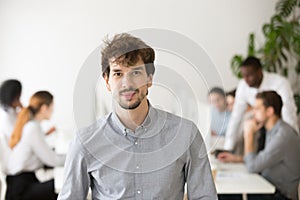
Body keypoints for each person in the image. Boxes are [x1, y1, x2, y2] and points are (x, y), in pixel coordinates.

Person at [58, 33, 217, 199]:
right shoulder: (85, 141)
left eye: (135, 73)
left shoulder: (185, 134)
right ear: (107, 81)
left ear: (149, 78)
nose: (127, 84)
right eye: (118, 73)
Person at [224, 56, 299, 150]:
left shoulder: (280, 83)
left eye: (249, 75)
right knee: (245, 122)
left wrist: (294, 143)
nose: (246, 79)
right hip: (260, 125)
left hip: (279, 125)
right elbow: (236, 117)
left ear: (260, 72)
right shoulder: (243, 86)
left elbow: (288, 114)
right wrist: (227, 148)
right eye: (243, 76)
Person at [5, 91, 65, 200]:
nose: (53, 110)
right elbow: (53, 160)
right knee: (64, 186)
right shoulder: (32, 127)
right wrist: (74, 156)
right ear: (44, 108)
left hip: (23, 182)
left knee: (59, 184)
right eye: (52, 107)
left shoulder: (31, 125)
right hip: (20, 190)